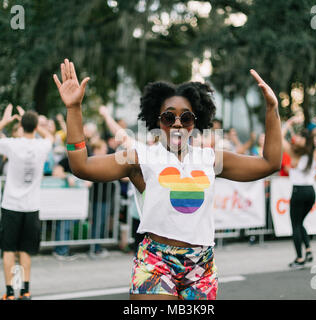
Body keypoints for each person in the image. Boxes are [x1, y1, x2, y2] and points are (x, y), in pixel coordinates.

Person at [53, 59, 281, 300]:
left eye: (187, 117)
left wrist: (271, 109)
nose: (178, 124)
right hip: (155, 262)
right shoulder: (140, 158)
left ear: (197, 121)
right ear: (157, 121)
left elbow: (270, 163)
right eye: (168, 118)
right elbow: (82, 166)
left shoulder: (211, 159)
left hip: (200, 267)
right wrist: (74, 109)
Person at [0, 104, 53, 300]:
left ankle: (9, 292)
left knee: (8, 250)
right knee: (25, 251)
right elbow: (50, 136)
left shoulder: (13, 144)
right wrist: (31, 121)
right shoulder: (42, 145)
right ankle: (25, 290)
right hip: (31, 207)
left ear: (21, 126)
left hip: (11, 205)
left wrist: (5, 121)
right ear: (35, 126)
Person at [282, 114, 316, 269]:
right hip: (311, 191)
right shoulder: (314, 154)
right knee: (300, 222)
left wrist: (290, 122)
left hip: (298, 191)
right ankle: (308, 250)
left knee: (295, 225)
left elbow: (279, 136)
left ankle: (299, 258)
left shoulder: (294, 153)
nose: (296, 139)